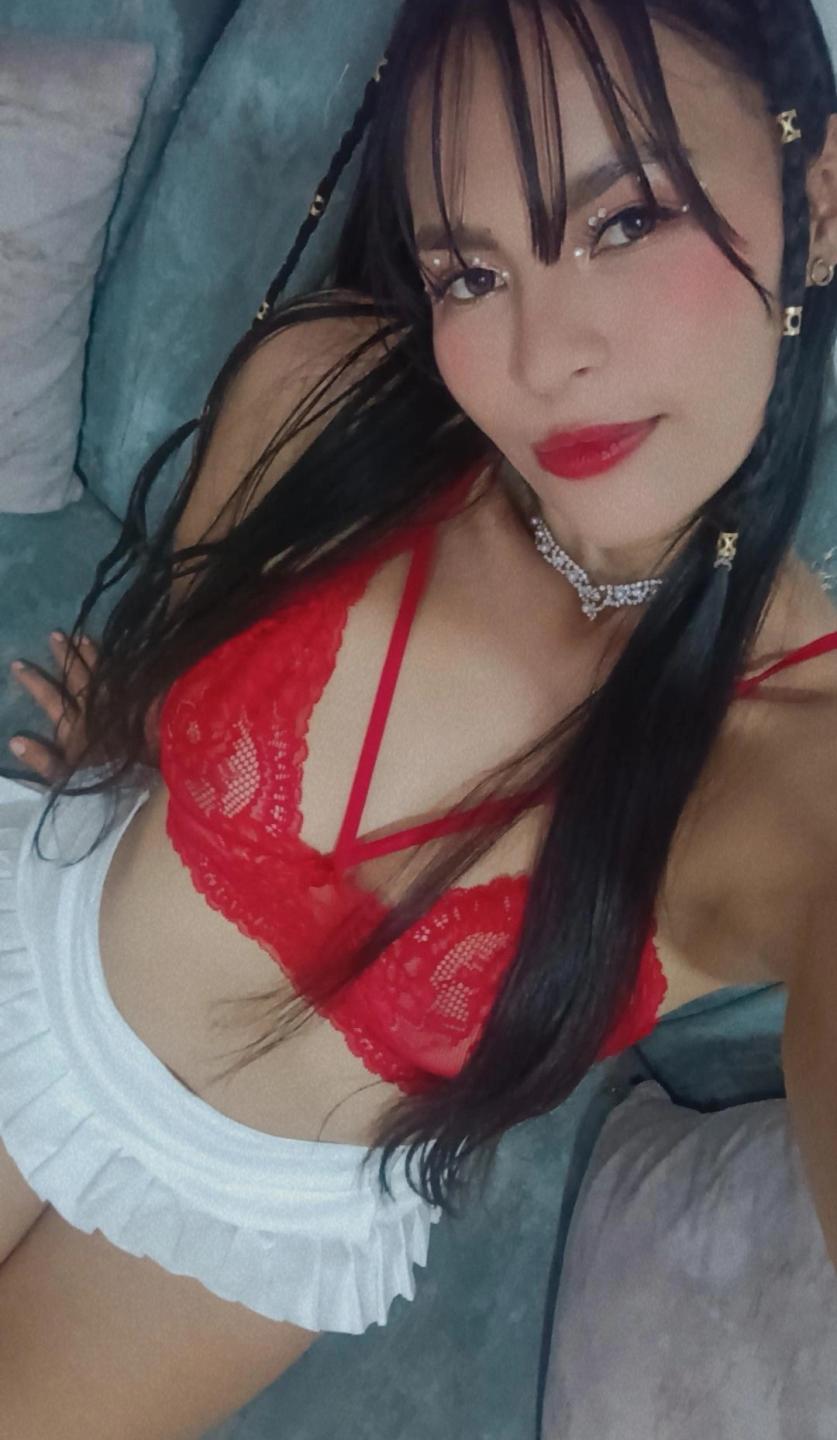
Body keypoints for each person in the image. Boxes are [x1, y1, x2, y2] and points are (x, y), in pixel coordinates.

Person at [3, 0, 837, 1433]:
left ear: (818, 198)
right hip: (45, 955)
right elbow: (191, 622)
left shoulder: (782, 764)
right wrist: (130, 751)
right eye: (471, 270)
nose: (541, 356)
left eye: (625, 220)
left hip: (239, 1219)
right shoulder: (324, 393)